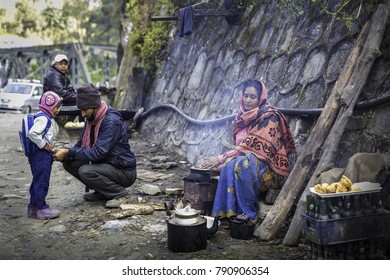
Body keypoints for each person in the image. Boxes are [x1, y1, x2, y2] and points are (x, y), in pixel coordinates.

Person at [201, 79, 295, 225]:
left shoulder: (269, 117)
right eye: (246, 96)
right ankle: (226, 216)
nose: (248, 100)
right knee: (231, 164)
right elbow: (240, 150)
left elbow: (249, 147)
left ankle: (247, 216)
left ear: (260, 98)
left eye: (253, 97)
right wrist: (223, 163)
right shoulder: (241, 118)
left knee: (242, 162)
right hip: (248, 164)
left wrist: (220, 158)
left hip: (269, 172)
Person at [53, 83, 137, 206]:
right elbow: (80, 145)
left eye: (85, 110)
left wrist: (69, 152)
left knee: (86, 171)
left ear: (95, 106)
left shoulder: (111, 121)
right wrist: (65, 153)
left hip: (123, 170)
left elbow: (98, 153)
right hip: (106, 164)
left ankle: (119, 193)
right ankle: (102, 191)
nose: (82, 114)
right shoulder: (91, 118)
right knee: (69, 163)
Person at [27, 91, 63, 219]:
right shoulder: (43, 118)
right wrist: (44, 145)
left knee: (37, 180)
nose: (58, 110)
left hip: (38, 154)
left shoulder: (40, 116)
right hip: (41, 155)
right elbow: (33, 133)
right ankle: (42, 208)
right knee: (42, 181)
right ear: (49, 106)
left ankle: (32, 207)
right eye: (56, 107)